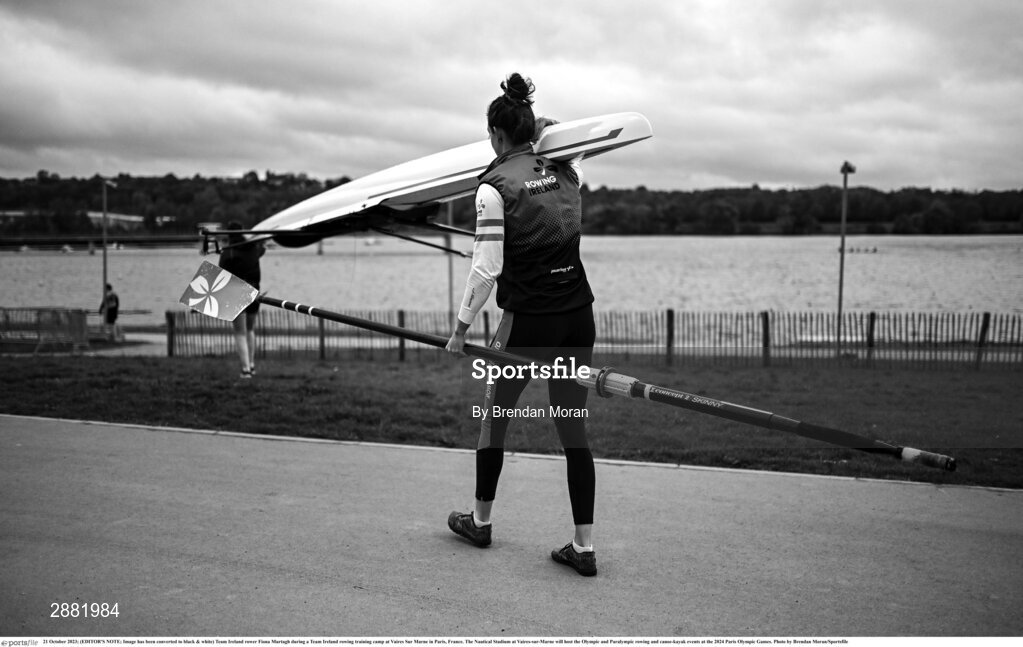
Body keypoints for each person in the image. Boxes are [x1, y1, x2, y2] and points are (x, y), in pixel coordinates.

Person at [445, 73, 598, 576]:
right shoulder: (567, 170)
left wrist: (461, 328)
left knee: (495, 421)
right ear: (532, 128)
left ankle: (481, 522)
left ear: (494, 134)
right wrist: (544, 135)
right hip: (578, 317)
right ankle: (584, 546)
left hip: (526, 325)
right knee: (574, 430)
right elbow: (565, 143)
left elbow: (486, 268)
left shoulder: (494, 189)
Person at [218, 221, 266, 378]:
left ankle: (245, 370)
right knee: (250, 329)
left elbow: (221, 274)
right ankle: (251, 365)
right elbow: (262, 249)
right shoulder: (253, 248)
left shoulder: (228, 252)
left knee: (240, 333)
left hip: (236, 292)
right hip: (254, 292)